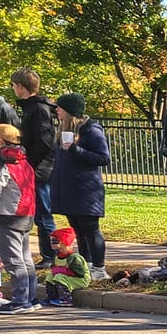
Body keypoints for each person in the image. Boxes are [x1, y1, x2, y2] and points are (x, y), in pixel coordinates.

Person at [47, 92, 109, 282]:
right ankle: (86, 264)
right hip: (69, 189)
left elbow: (102, 158)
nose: (56, 111)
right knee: (78, 230)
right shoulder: (63, 130)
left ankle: (99, 267)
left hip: (86, 189)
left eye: (60, 108)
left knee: (91, 229)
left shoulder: (91, 130)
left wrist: (75, 149)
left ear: (70, 111)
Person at [0, 122, 38, 311]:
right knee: (25, 258)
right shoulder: (22, 160)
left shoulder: (1, 162)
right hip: (26, 213)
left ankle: (20, 300)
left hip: (7, 214)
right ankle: (31, 297)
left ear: (0, 139)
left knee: (13, 260)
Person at [9, 69, 56, 266]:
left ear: (21, 86)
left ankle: (51, 255)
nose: (13, 89)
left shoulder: (38, 109)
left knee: (43, 214)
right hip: (34, 168)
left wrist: (29, 163)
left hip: (39, 170)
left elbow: (45, 141)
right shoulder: (31, 108)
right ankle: (48, 255)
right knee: (38, 213)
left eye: (13, 85)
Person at [38, 224, 89, 305]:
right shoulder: (57, 255)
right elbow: (54, 267)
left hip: (80, 280)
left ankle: (66, 299)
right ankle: (52, 297)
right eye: (51, 241)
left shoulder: (74, 257)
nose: (52, 243)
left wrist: (62, 271)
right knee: (50, 276)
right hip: (66, 278)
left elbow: (80, 273)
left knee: (59, 277)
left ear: (64, 242)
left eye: (55, 241)